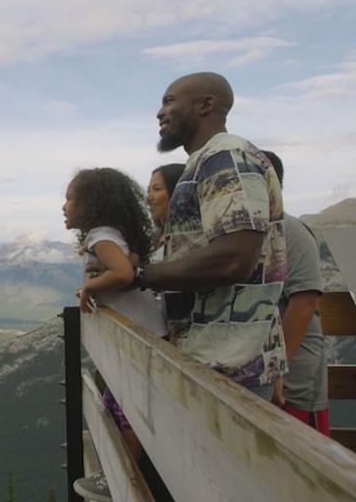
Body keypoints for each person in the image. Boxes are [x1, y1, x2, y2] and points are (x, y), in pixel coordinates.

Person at [131, 72, 287, 399]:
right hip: (213, 360)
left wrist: (139, 275)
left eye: (169, 101)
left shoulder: (225, 157)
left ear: (205, 105)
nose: (160, 112)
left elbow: (233, 259)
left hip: (229, 366)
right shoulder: (204, 162)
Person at [62, 167, 166, 502]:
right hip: (148, 333)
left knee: (126, 408)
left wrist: (89, 287)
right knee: (118, 402)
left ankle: (122, 478)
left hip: (138, 337)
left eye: (70, 198)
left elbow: (122, 272)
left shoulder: (100, 236)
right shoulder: (113, 235)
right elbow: (131, 262)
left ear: (91, 203)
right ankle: (118, 474)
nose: (64, 206)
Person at [262, 150, 329, 435]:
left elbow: (305, 301)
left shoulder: (291, 231)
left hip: (294, 383)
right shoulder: (253, 233)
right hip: (265, 379)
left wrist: (278, 370)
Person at [146, 163, 185, 256]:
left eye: (157, 189)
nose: (149, 198)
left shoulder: (191, 238)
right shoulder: (153, 237)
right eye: (148, 191)